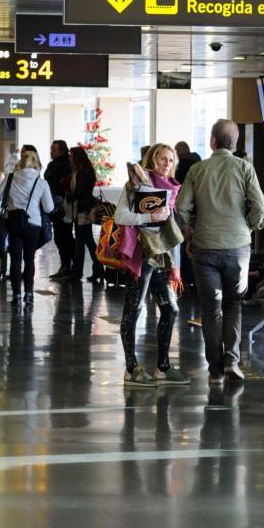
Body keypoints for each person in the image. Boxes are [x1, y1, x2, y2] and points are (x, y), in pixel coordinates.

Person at [177, 119, 264, 384]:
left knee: (210, 309)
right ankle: (232, 360)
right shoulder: (244, 168)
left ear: (212, 141)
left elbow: (181, 207)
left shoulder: (197, 170)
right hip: (238, 248)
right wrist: (248, 227)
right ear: (234, 143)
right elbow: (259, 206)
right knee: (233, 304)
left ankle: (215, 369)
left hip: (204, 247)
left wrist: (190, 233)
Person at [116, 144, 190, 388]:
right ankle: (131, 368)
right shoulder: (136, 184)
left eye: (171, 160)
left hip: (161, 258)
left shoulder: (172, 190)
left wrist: (175, 266)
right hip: (140, 255)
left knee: (171, 309)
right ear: (153, 159)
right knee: (134, 310)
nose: (167, 164)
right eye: (162, 159)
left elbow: (172, 230)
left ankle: (163, 367)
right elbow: (120, 216)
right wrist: (150, 217)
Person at [0, 148, 54, 306]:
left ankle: (16, 296)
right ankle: (29, 294)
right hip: (33, 224)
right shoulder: (41, 183)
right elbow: (49, 208)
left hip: (14, 222)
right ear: (37, 164)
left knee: (15, 260)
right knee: (29, 259)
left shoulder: (11, 177)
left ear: (21, 163)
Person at [68, 146, 104, 284]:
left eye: (72, 156)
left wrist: (70, 195)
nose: (70, 158)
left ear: (77, 157)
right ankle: (98, 269)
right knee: (87, 240)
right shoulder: (84, 170)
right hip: (84, 208)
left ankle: (77, 273)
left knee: (80, 242)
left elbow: (80, 191)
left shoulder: (83, 172)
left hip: (83, 209)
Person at [44, 140, 74, 279]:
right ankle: (65, 265)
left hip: (64, 204)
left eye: (54, 149)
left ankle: (69, 266)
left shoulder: (67, 164)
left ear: (62, 150)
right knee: (59, 236)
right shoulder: (52, 164)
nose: (51, 151)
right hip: (54, 204)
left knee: (65, 236)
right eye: (51, 149)